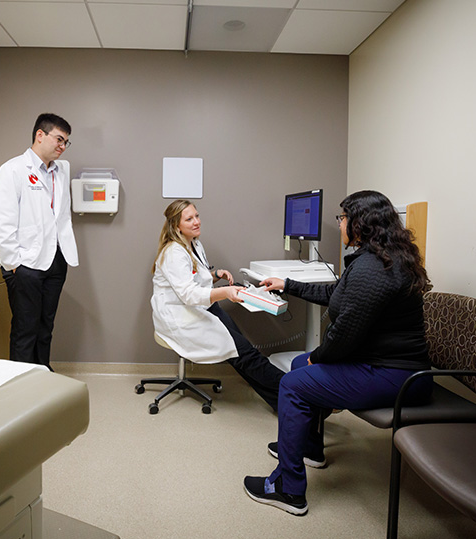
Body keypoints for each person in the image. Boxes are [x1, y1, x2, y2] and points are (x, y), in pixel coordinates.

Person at [243, 190, 433, 516]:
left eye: (342, 218)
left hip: (397, 377)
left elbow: (342, 337)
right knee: (302, 363)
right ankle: (310, 447)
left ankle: (288, 489)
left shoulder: (374, 270)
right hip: (391, 367)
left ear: (360, 223)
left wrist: (320, 356)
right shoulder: (380, 258)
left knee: (294, 382)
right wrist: (288, 285)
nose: (340, 224)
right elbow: (336, 292)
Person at [151, 200, 285, 411]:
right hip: (180, 317)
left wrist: (215, 275)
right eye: (189, 219)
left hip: (200, 308)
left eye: (197, 215)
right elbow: (188, 294)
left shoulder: (194, 243)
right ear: (176, 226)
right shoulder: (173, 253)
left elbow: (195, 280)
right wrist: (225, 292)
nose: (196, 222)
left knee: (244, 351)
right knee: (243, 354)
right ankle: (294, 395)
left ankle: (282, 399)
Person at [0, 113, 78, 370]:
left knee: (45, 328)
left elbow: (60, 217)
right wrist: (14, 263)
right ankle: (22, 387)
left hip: (56, 261)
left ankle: (42, 380)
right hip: (25, 264)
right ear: (40, 135)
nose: (62, 146)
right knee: (25, 329)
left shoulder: (60, 172)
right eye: (59, 139)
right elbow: (0, 221)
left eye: (66, 142)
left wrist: (61, 256)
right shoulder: (13, 170)